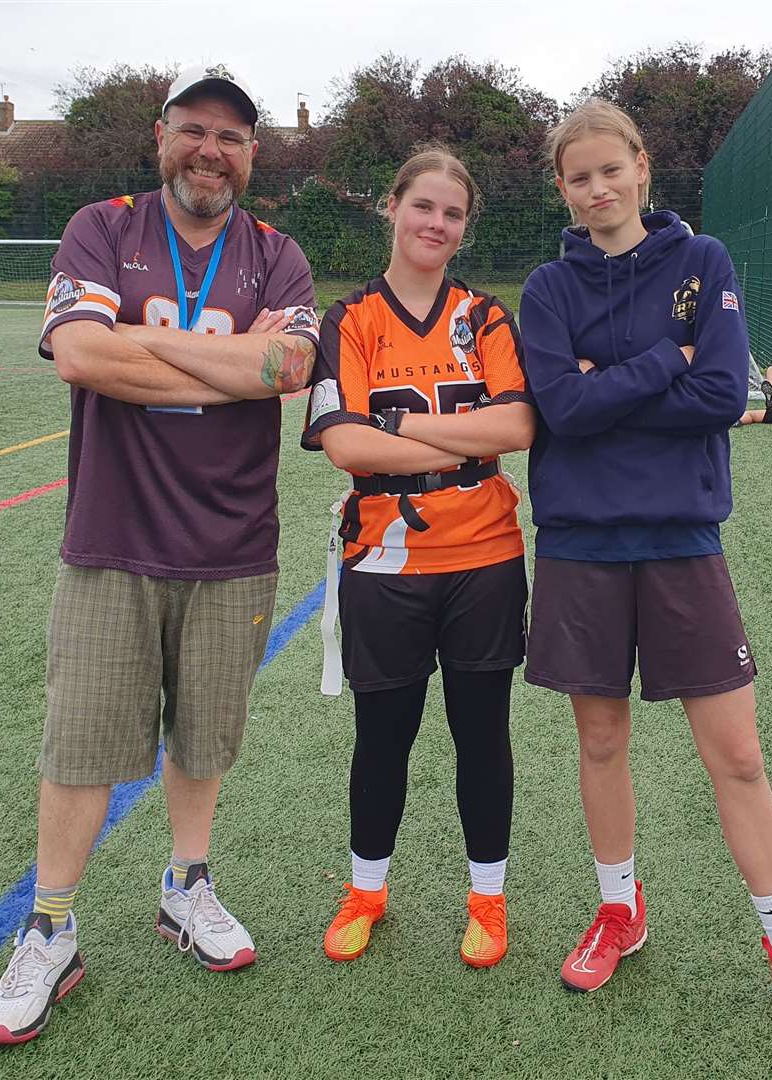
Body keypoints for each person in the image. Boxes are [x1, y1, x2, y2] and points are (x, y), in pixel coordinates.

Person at [519, 99, 772, 1006]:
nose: (598, 188)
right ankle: (620, 911)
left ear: (643, 167)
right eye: (579, 177)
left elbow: (724, 389)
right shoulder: (547, 288)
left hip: (682, 539)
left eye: (612, 169)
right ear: (563, 190)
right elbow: (561, 414)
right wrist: (664, 361)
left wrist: (605, 385)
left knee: (735, 753)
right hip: (580, 544)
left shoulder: (702, 261)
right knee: (601, 737)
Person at [0, 64, 319, 1045]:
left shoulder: (278, 253)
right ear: (160, 135)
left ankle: (186, 885)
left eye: (232, 137)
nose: (211, 149)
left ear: (251, 157)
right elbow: (79, 355)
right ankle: (50, 927)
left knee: (205, 738)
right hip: (113, 536)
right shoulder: (103, 226)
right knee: (81, 742)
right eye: (194, 129)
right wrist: (230, 364)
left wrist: (145, 344)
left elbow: (289, 365)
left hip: (232, 542)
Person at [301, 146, 534, 969]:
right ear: (391, 207)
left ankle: (488, 899)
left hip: (484, 556)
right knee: (383, 737)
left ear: (463, 228)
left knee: (483, 735)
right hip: (384, 560)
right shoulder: (351, 318)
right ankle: (366, 890)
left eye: (453, 213)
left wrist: (393, 428)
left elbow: (513, 430)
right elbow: (342, 444)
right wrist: (427, 439)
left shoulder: (485, 316)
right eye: (423, 206)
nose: (436, 223)